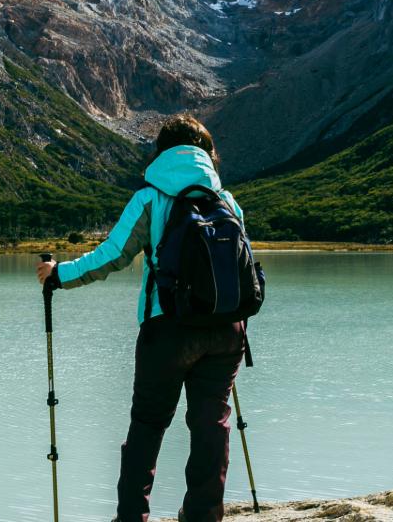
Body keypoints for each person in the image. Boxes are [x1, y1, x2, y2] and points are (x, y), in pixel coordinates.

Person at [34, 114, 249, 522]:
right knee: (212, 424)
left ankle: (132, 517)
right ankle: (203, 516)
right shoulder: (228, 200)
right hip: (226, 331)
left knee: (148, 425)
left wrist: (59, 275)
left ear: (162, 152)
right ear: (207, 154)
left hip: (166, 330)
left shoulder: (151, 197)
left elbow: (113, 255)